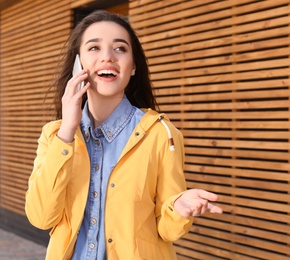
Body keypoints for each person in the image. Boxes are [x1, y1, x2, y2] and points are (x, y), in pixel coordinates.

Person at [25, 10, 222, 260]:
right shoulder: (55, 135)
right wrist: (67, 132)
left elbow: (168, 230)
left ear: (133, 67)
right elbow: (41, 217)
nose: (107, 57)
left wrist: (177, 209)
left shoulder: (161, 134)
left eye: (120, 48)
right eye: (94, 48)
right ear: (78, 65)